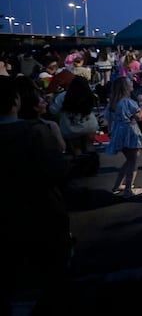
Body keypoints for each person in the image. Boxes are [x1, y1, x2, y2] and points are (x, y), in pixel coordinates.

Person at [1, 75, 73, 315]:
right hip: (41, 209)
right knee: (48, 276)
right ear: (16, 102)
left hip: (10, 216)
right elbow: (57, 170)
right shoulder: (36, 132)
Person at [104, 76, 142, 198]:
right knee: (133, 160)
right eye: (130, 83)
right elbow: (139, 116)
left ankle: (118, 184)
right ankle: (129, 189)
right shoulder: (128, 102)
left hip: (119, 131)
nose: (132, 84)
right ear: (125, 87)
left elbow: (108, 118)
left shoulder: (113, 102)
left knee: (130, 159)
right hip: (130, 131)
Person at [58, 74, 99, 155]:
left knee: (76, 149)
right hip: (89, 124)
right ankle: (91, 163)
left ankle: (79, 165)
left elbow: (53, 110)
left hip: (70, 125)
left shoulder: (64, 96)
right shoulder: (91, 95)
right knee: (89, 146)